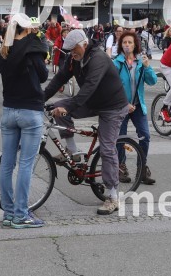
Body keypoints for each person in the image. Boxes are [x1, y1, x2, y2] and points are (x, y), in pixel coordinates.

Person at [43, 28, 129, 215]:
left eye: (74, 50)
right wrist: (40, 98)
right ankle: (73, 151)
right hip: (92, 101)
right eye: (69, 51)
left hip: (112, 106)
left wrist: (71, 107)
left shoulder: (98, 58)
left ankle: (113, 196)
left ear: (84, 44)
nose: (72, 54)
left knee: (107, 148)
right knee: (58, 108)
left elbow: (90, 86)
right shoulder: (73, 59)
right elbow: (58, 79)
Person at [0, 16, 48, 228]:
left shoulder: (2, 52)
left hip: (9, 110)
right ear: (26, 28)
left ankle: (8, 213)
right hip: (30, 110)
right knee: (26, 164)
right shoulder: (32, 48)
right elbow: (44, 76)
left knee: (7, 164)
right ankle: (21, 214)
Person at [113, 31, 157, 186]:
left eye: (130, 42)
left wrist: (148, 67)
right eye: (124, 42)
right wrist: (124, 103)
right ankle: (121, 166)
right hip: (121, 106)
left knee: (145, 135)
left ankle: (142, 168)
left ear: (135, 45)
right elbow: (112, 87)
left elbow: (152, 81)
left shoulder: (140, 62)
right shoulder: (116, 63)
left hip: (138, 106)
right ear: (121, 45)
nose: (127, 45)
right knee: (120, 138)